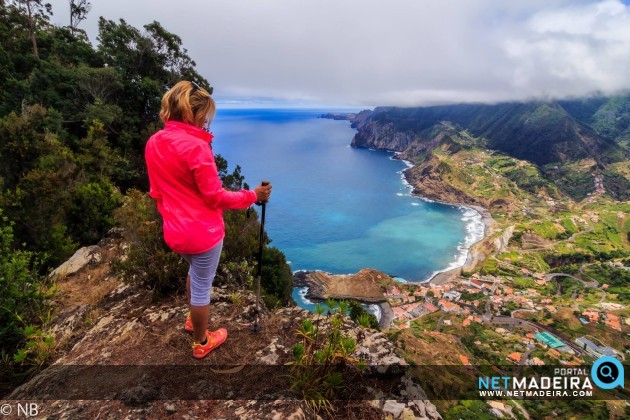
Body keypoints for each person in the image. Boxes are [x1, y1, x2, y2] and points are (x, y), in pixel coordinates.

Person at [145, 80, 272, 359]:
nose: (206, 120)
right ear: (194, 113)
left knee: (194, 274)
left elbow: (156, 192)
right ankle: (202, 341)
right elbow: (215, 196)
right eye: (204, 114)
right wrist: (253, 196)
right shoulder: (195, 147)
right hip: (203, 233)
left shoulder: (154, 142)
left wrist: (173, 217)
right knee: (203, 286)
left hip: (174, 232)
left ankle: (193, 320)